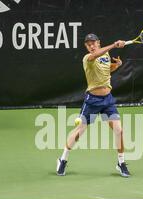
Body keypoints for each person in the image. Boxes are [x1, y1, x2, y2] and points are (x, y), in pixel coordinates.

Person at [56, 33, 131, 177]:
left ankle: (121, 163)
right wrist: (115, 45)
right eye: (88, 44)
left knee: (119, 130)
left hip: (107, 100)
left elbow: (106, 70)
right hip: (92, 100)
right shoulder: (87, 58)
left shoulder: (105, 54)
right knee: (80, 131)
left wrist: (117, 65)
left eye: (93, 43)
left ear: (98, 43)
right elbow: (95, 55)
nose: (91, 46)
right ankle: (63, 159)